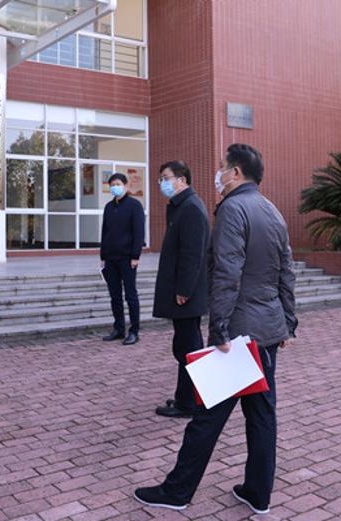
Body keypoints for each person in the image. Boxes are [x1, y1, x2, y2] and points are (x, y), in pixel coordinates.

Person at [134, 144, 298, 515]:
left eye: (222, 167)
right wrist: (288, 322)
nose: (218, 173)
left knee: (207, 417)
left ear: (236, 173)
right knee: (261, 417)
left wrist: (219, 329)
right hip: (267, 331)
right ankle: (257, 493)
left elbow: (227, 273)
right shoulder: (271, 209)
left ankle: (177, 491)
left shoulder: (233, 209)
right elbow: (286, 271)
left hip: (238, 334)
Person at [152, 161, 209, 418]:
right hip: (183, 292)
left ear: (182, 180)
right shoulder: (181, 206)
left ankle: (190, 403)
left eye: (166, 178)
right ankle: (186, 398)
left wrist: (184, 289)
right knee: (185, 346)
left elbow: (192, 255)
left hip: (186, 294)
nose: (162, 183)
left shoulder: (191, 208)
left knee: (188, 347)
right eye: (161, 179)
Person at [100, 172, 145, 346]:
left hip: (127, 258)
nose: (115, 187)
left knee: (130, 295)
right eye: (112, 185)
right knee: (115, 296)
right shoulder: (108, 207)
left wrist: (135, 256)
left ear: (126, 186)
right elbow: (105, 232)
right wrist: (103, 256)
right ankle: (119, 328)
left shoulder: (134, 206)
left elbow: (138, 232)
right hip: (110, 258)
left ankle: (134, 331)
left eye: (118, 184)